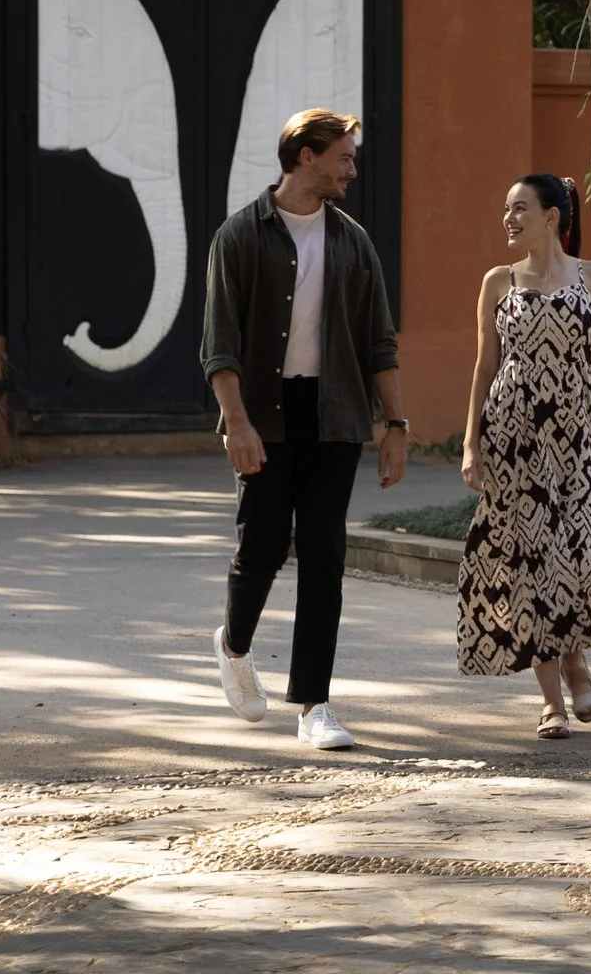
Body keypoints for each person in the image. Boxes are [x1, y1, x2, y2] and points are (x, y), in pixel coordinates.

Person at [202, 109, 409, 751]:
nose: (352, 168)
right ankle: (233, 644)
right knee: (261, 547)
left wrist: (395, 423)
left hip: (336, 413)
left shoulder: (353, 242)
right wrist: (236, 423)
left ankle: (314, 704)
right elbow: (220, 346)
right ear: (306, 157)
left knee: (325, 556)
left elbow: (379, 341)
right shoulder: (239, 237)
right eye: (343, 157)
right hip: (265, 412)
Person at [456, 173, 591, 737]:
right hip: (515, 439)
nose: (509, 219)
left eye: (520, 209)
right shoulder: (497, 282)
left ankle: (577, 659)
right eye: (506, 209)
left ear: (552, 216)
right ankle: (552, 700)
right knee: (530, 563)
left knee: (584, 552)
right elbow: (485, 368)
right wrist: (471, 443)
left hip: (582, 435)